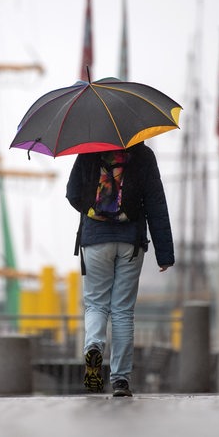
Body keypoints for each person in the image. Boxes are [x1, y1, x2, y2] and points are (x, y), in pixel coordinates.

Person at [66, 141, 174, 397]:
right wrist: (165, 254)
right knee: (123, 311)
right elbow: (156, 205)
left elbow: (72, 193)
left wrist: (91, 211)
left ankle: (93, 346)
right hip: (130, 242)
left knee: (95, 304)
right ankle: (121, 380)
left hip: (95, 240)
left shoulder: (89, 150)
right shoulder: (144, 155)